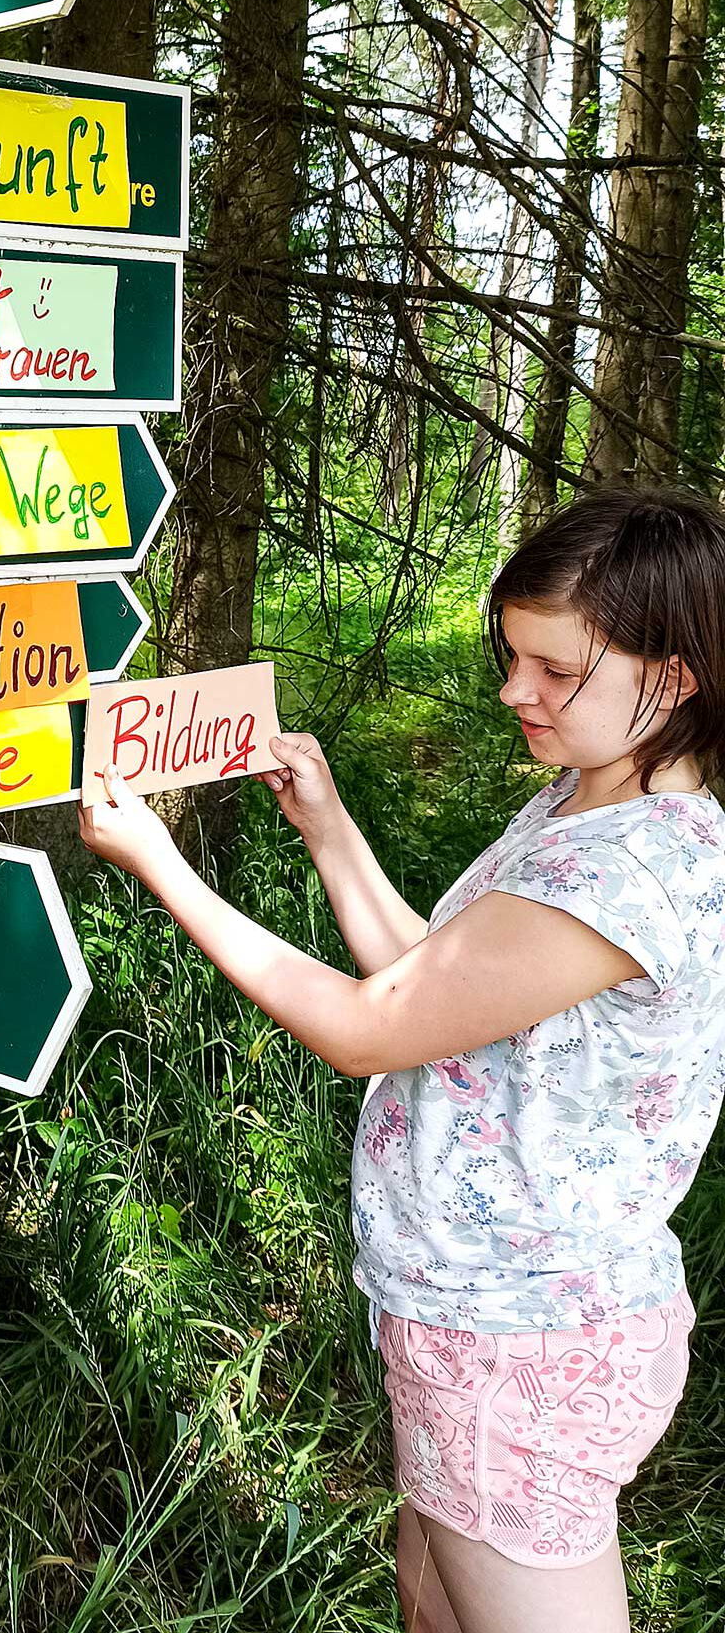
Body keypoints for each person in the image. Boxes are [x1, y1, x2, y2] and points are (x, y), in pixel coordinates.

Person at [77, 485, 725, 1633]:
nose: (515, 689)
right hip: (474, 1316)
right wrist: (328, 829)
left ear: (671, 679)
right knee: (431, 1604)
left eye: (556, 669)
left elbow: (366, 1029)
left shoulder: (631, 871)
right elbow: (429, 991)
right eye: (509, 653)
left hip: (523, 1347)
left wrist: (164, 867)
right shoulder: (582, 804)